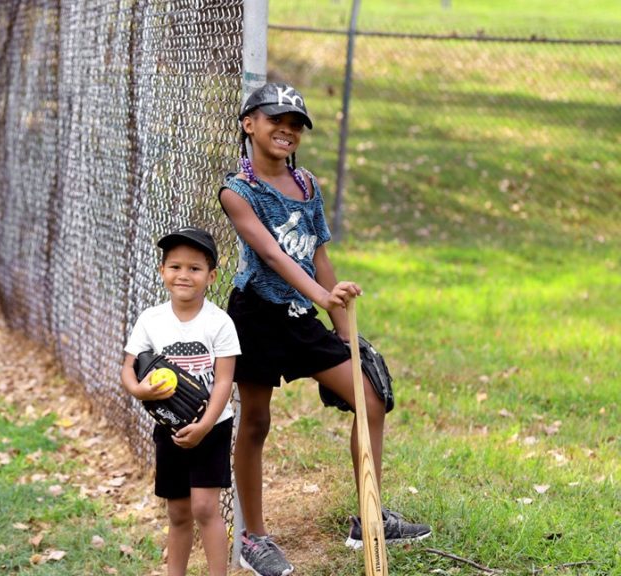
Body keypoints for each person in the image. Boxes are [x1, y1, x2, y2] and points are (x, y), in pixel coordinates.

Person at [218, 82, 432, 576]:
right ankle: (254, 537)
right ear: (249, 124)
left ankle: (369, 516)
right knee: (255, 422)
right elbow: (271, 253)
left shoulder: (309, 186)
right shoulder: (237, 191)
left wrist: (341, 329)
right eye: (276, 120)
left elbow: (318, 255)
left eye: (296, 125)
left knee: (370, 398)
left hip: (300, 317)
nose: (287, 130)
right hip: (255, 317)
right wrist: (319, 295)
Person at [121, 227, 241, 576]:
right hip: (169, 426)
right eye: (175, 267)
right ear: (162, 272)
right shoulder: (151, 320)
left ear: (211, 276)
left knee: (205, 508)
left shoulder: (219, 323)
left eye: (194, 268)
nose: (183, 275)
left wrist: (205, 425)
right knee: (177, 512)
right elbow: (129, 368)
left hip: (212, 425)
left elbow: (224, 381)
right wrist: (139, 391)